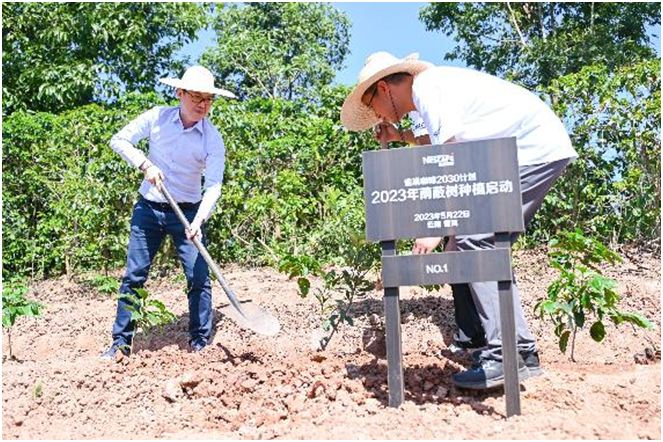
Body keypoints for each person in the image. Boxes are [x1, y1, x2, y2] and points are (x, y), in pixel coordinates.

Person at [340, 52, 578, 390]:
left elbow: (450, 160)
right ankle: (522, 352)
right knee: (487, 245)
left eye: (374, 106)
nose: (376, 115)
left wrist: (434, 228)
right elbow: (439, 143)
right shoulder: (434, 89)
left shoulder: (427, 87)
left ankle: (503, 355)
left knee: (475, 241)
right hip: (531, 151)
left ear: (383, 88)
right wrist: (400, 137)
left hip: (529, 154)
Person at [101, 65, 236, 359]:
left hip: (187, 212)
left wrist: (199, 219)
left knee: (199, 277)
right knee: (134, 275)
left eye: (209, 99)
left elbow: (213, 185)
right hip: (148, 207)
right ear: (180, 93)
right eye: (197, 97)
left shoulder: (212, 138)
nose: (203, 105)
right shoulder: (156, 117)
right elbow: (119, 140)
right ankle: (120, 344)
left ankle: (200, 342)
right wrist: (145, 164)